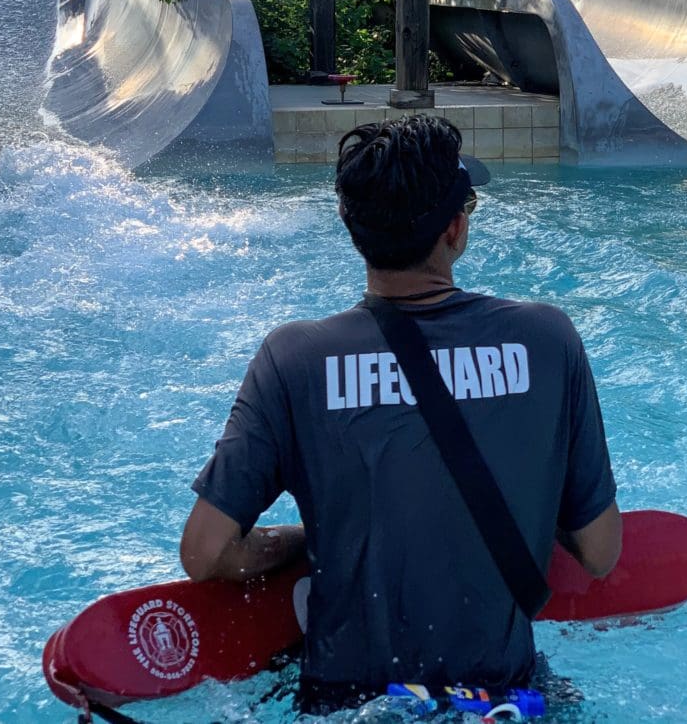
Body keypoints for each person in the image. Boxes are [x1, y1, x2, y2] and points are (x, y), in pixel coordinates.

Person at [180, 115, 621, 712]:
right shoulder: (547, 340)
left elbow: (205, 552)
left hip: (347, 700)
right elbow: (600, 552)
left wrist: (307, 541)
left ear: (349, 226)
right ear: (457, 229)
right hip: (498, 700)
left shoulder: (294, 358)